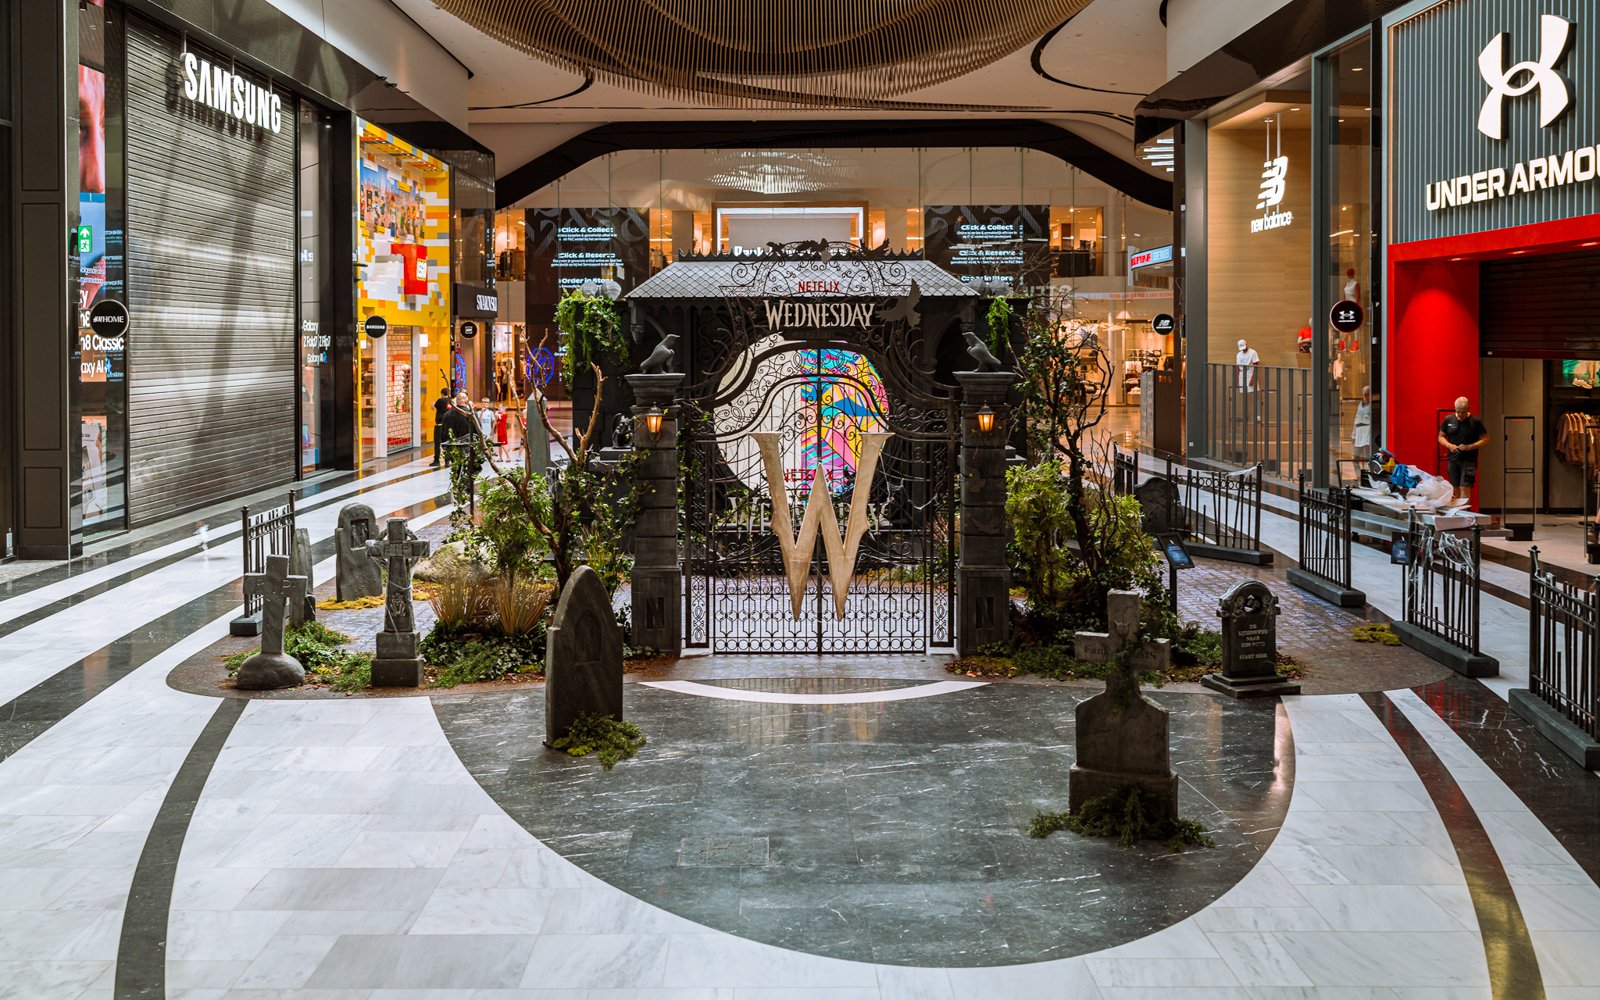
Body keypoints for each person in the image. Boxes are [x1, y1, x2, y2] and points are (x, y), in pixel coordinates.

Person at [1438, 396, 1489, 503]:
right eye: (1458, 412)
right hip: (1453, 459)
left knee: (1464, 487)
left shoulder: (1475, 421)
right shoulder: (1449, 419)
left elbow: (1486, 439)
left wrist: (1470, 446)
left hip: (1469, 460)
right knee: (1455, 487)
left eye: (1463, 412)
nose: (1460, 415)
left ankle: (1466, 513)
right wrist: (1450, 446)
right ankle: (1458, 513)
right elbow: (1441, 437)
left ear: (1468, 409)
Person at [430, 388, 451, 467]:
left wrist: (432, 404)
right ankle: (447, 460)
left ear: (442, 393)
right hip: (448, 425)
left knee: (437, 443)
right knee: (447, 442)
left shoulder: (440, 400)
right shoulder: (450, 401)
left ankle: (436, 460)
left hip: (439, 425)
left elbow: (434, 408)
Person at [1352, 386, 1373, 462]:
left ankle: (1368, 472)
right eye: (1365, 394)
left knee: (1367, 457)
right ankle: (1358, 474)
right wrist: (1353, 435)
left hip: (1367, 431)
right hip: (1359, 431)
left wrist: (1368, 441)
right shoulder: (1360, 405)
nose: (1367, 396)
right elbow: (1356, 418)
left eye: (1368, 394)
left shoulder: (1372, 405)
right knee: (1355, 458)